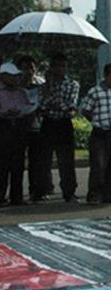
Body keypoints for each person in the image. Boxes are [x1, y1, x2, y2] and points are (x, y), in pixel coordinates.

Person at [80, 63, 111, 204]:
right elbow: (85, 110)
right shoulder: (95, 92)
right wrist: (96, 120)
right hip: (100, 133)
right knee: (99, 164)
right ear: (106, 76)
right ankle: (94, 194)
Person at [39, 53, 80, 203]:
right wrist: (52, 96)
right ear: (51, 68)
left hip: (63, 124)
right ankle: (42, 190)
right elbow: (41, 106)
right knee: (44, 159)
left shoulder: (72, 84)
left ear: (66, 68)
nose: (59, 69)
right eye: (56, 66)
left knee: (66, 160)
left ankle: (69, 191)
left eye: (62, 66)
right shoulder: (44, 85)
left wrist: (52, 99)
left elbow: (71, 106)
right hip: (48, 123)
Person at [0, 62, 32, 206]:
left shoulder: (21, 92)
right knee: (2, 165)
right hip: (3, 127)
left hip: (18, 129)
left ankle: (16, 196)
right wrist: (6, 112)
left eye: (16, 76)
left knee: (18, 164)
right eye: (12, 76)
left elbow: (27, 106)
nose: (15, 79)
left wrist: (21, 110)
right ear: (3, 76)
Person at [16, 56, 46, 203]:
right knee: (17, 163)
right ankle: (17, 195)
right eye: (26, 68)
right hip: (18, 127)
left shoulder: (40, 84)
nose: (30, 71)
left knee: (36, 162)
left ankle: (36, 192)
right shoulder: (15, 86)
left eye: (32, 68)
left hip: (36, 127)